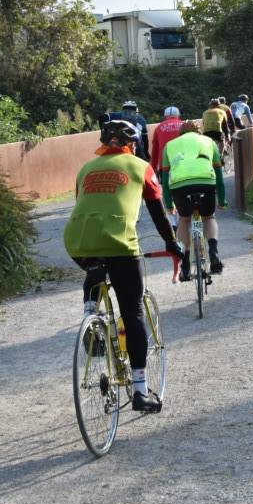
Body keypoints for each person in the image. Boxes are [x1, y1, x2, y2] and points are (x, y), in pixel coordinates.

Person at [63, 118, 184, 413]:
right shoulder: (140, 166)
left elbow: (89, 207)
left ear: (104, 144)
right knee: (132, 312)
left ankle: (90, 313)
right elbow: (157, 213)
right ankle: (141, 390)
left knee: (95, 264)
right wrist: (172, 245)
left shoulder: (85, 169)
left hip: (76, 241)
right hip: (120, 243)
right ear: (133, 144)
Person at [159, 120, 227, 277]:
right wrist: (222, 199)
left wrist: (168, 204)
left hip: (180, 185)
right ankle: (214, 251)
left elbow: (165, 177)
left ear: (180, 134)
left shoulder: (170, 145)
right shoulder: (209, 141)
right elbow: (218, 174)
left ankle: (186, 262)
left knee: (184, 219)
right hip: (205, 182)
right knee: (209, 217)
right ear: (199, 132)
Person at [150, 105, 183, 172]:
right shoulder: (184, 125)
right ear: (178, 115)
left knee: (165, 182)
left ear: (165, 116)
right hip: (182, 163)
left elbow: (155, 150)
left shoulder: (159, 128)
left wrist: (154, 168)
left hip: (165, 166)